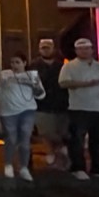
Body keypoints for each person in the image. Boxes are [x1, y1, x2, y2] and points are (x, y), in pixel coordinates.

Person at [58, 38, 99, 181]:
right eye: (80, 49)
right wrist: (85, 84)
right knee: (77, 139)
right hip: (79, 108)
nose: (84, 51)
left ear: (92, 50)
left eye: (87, 48)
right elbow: (63, 83)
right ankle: (78, 167)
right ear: (76, 51)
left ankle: (98, 168)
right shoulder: (69, 66)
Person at [0, 52, 45, 181]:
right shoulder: (5, 74)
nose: (14, 65)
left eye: (17, 62)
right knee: (11, 138)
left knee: (25, 138)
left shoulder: (31, 75)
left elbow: (41, 95)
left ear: (24, 63)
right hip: (8, 112)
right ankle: (8, 164)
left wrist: (32, 84)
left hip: (27, 110)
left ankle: (24, 167)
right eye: (12, 62)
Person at [29, 38, 70, 168]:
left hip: (61, 104)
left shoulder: (62, 65)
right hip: (42, 104)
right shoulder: (33, 65)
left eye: (48, 47)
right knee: (45, 132)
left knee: (62, 132)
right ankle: (52, 151)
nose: (45, 50)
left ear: (53, 49)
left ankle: (60, 156)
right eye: (43, 48)